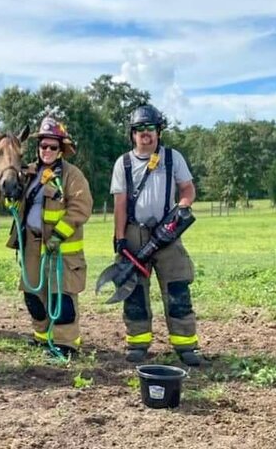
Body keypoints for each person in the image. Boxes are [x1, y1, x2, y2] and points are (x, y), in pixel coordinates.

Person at [110, 104, 204, 366]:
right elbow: (120, 203)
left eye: (150, 127)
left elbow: (187, 189)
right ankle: (137, 344)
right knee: (133, 291)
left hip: (168, 231)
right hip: (134, 231)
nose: (145, 133)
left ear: (158, 131)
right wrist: (120, 239)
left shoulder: (173, 158)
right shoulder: (123, 163)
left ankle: (186, 346)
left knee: (177, 287)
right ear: (132, 134)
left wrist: (182, 208)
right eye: (139, 128)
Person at [6, 115, 92, 358]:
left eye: (53, 147)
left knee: (61, 298)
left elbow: (81, 208)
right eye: (43, 145)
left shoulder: (72, 176)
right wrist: (11, 198)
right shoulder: (30, 173)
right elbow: (18, 202)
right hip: (32, 247)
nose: (47, 150)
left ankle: (66, 344)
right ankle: (42, 337)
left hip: (61, 249)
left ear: (61, 149)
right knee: (33, 296)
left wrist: (57, 236)